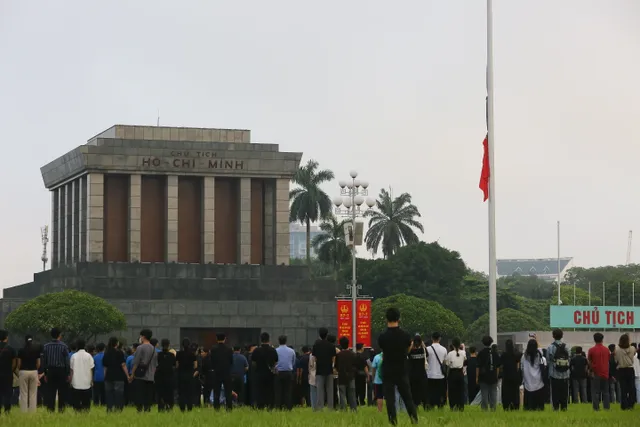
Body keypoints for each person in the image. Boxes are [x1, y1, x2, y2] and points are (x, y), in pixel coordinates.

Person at [378, 307, 418, 425]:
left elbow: (383, 349)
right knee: (407, 398)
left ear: (387, 319)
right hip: (401, 369)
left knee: (390, 400)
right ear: (399, 319)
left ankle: (393, 422)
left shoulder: (382, 336)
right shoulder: (405, 335)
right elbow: (409, 346)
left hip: (388, 370)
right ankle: (414, 420)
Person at [42, 327, 70, 412]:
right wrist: (67, 373)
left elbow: (44, 361)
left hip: (50, 371)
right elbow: (67, 361)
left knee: (50, 391)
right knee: (62, 391)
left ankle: (50, 409)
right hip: (61, 371)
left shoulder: (46, 346)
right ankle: (61, 409)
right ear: (59, 335)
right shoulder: (64, 346)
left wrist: (45, 373)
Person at [131, 329, 158, 412]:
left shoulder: (140, 348)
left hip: (140, 376)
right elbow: (155, 364)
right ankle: (147, 409)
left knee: (139, 394)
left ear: (143, 337)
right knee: (148, 395)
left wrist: (132, 374)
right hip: (150, 376)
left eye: (141, 336)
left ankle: (139, 410)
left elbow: (136, 362)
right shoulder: (154, 349)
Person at [251, 332, 277, 409]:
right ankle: (270, 405)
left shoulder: (256, 350)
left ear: (261, 340)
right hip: (270, 373)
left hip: (259, 373)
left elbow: (253, 362)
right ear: (269, 340)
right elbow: (276, 362)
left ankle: (260, 406)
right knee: (270, 390)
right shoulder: (272, 350)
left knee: (260, 390)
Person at [312, 327, 336, 411]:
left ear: (319, 334)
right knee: (330, 389)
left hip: (319, 370)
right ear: (327, 334)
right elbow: (333, 358)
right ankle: (330, 407)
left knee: (320, 389)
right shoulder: (331, 345)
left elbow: (314, 358)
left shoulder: (316, 345)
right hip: (329, 370)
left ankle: (320, 407)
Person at [102, 337, 128, 412]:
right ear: (117, 343)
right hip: (118, 376)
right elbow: (123, 365)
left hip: (109, 376)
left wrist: (105, 376)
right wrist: (127, 375)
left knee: (109, 393)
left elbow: (105, 367)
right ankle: (118, 409)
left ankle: (109, 408)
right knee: (119, 393)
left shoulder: (106, 353)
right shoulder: (119, 352)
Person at [547, 329, 570, 411]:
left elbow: (548, 360)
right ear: (562, 336)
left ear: (553, 336)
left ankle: (555, 408)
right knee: (564, 393)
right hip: (565, 374)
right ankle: (564, 408)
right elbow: (569, 359)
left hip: (554, 374)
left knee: (555, 393)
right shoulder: (567, 347)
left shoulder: (550, 347)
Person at [210, 333, 233, 411]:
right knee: (228, 392)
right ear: (225, 339)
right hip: (227, 372)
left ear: (217, 339)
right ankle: (229, 408)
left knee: (217, 392)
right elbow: (231, 361)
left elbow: (212, 361)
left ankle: (216, 408)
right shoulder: (229, 349)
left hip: (217, 373)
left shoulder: (213, 349)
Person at [69, 339, 94, 412]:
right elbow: (91, 369)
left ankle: (77, 413)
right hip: (86, 382)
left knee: (76, 402)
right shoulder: (89, 356)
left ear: (77, 346)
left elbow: (71, 370)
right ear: (84, 345)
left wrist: (70, 381)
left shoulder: (73, 356)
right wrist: (92, 380)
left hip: (76, 382)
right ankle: (85, 413)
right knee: (86, 402)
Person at [588, 332, 610, 411]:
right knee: (606, 392)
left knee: (596, 392)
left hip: (595, 373)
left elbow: (590, 362)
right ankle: (606, 407)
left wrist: (591, 371)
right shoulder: (607, 350)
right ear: (602, 339)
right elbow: (608, 360)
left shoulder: (591, 350)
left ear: (594, 340)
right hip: (605, 373)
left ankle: (596, 408)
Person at [17, 335, 40, 413]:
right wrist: (35, 369)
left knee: (23, 393)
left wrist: (20, 370)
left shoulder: (21, 350)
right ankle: (32, 412)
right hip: (33, 371)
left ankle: (24, 412)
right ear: (32, 340)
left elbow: (19, 363)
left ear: (25, 340)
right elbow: (38, 363)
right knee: (33, 393)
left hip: (23, 371)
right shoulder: (36, 350)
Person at [476, 335, 500, 411]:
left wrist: (476, 377)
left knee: (484, 394)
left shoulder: (481, 353)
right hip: (493, 376)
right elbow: (498, 366)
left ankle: (485, 409)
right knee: (493, 394)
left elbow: (478, 366)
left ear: (483, 343)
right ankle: (493, 408)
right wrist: (496, 375)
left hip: (483, 377)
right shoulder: (495, 353)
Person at [521, 339, 546, 411]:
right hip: (538, 381)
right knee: (539, 400)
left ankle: (528, 408)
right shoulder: (539, 355)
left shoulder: (524, 356)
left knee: (529, 402)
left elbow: (522, 368)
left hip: (528, 381)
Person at [335, 336, 357, 411]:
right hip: (351, 376)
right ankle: (353, 409)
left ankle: (343, 409)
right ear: (348, 344)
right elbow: (355, 365)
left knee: (342, 393)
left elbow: (336, 366)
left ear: (340, 345)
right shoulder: (353, 354)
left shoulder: (338, 355)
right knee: (352, 393)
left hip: (341, 376)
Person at [425, 332, 447, 409]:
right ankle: (440, 405)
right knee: (439, 392)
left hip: (429, 374)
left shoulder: (427, 349)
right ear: (439, 338)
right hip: (440, 375)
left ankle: (430, 405)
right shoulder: (444, 349)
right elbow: (445, 362)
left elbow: (426, 360)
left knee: (430, 392)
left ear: (432, 338)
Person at [614, 333, 636, 410]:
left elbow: (616, 360)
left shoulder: (617, 349)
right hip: (630, 369)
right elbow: (633, 355)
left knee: (623, 388)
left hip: (621, 370)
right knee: (632, 388)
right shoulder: (632, 348)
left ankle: (624, 405)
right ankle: (631, 404)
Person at [444, 337, 466, 411]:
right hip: (460, 373)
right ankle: (461, 406)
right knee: (460, 391)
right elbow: (465, 360)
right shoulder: (463, 352)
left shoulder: (450, 353)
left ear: (452, 345)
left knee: (452, 391)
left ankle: (453, 406)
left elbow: (447, 363)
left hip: (453, 373)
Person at [175, 338, 197, 412]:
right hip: (190, 375)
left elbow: (177, 365)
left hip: (181, 375)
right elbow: (195, 366)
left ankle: (182, 408)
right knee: (189, 392)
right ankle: (189, 407)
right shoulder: (192, 354)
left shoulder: (179, 353)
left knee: (182, 392)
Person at [155, 338, 176, 412]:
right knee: (169, 393)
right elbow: (174, 366)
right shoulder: (172, 355)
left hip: (160, 377)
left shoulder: (159, 355)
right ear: (169, 345)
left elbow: (156, 365)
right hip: (169, 377)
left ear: (161, 345)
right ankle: (169, 407)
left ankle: (161, 407)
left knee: (160, 393)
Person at [408, 335, 428, 410]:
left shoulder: (412, 352)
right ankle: (425, 406)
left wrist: (412, 344)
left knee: (414, 391)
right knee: (424, 391)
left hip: (413, 375)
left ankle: (415, 406)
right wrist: (422, 344)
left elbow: (408, 353)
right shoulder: (423, 351)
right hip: (422, 374)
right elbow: (427, 353)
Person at [501, 339, 521, 411]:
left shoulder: (504, 355)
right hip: (514, 375)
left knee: (506, 392)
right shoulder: (516, 354)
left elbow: (501, 364)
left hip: (506, 376)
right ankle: (515, 405)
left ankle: (506, 406)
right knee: (515, 392)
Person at [0, 330, 16, 414]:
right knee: (7, 393)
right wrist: (11, 371)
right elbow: (14, 363)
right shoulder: (11, 349)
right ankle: (7, 411)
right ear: (6, 337)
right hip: (7, 374)